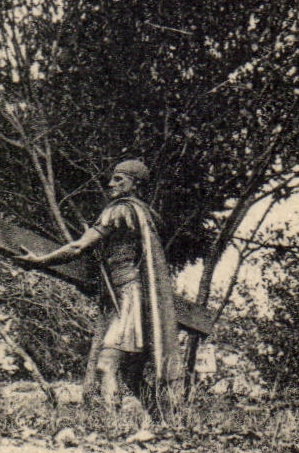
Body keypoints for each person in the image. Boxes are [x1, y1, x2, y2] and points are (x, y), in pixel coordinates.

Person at [23, 159, 181, 435]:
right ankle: (164, 423)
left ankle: (114, 428)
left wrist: (40, 261)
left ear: (136, 184)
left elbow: (77, 247)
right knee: (130, 374)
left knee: (107, 364)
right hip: (132, 298)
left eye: (120, 180)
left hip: (130, 296)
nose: (112, 184)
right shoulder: (144, 215)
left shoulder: (120, 211)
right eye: (112, 179)